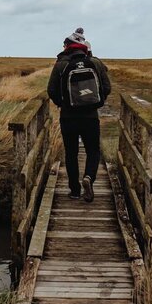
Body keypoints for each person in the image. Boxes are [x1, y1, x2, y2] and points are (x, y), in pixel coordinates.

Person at [47, 27, 111, 202]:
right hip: (90, 116)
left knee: (71, 153)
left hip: (68, 117)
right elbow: (107, 87)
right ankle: (89, 177)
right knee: (93, 151)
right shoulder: (95, 63)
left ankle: (75, 190)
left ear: (68, 46)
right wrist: (96, 102)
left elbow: (51, 90)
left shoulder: (61, 64)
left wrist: (63, 104)